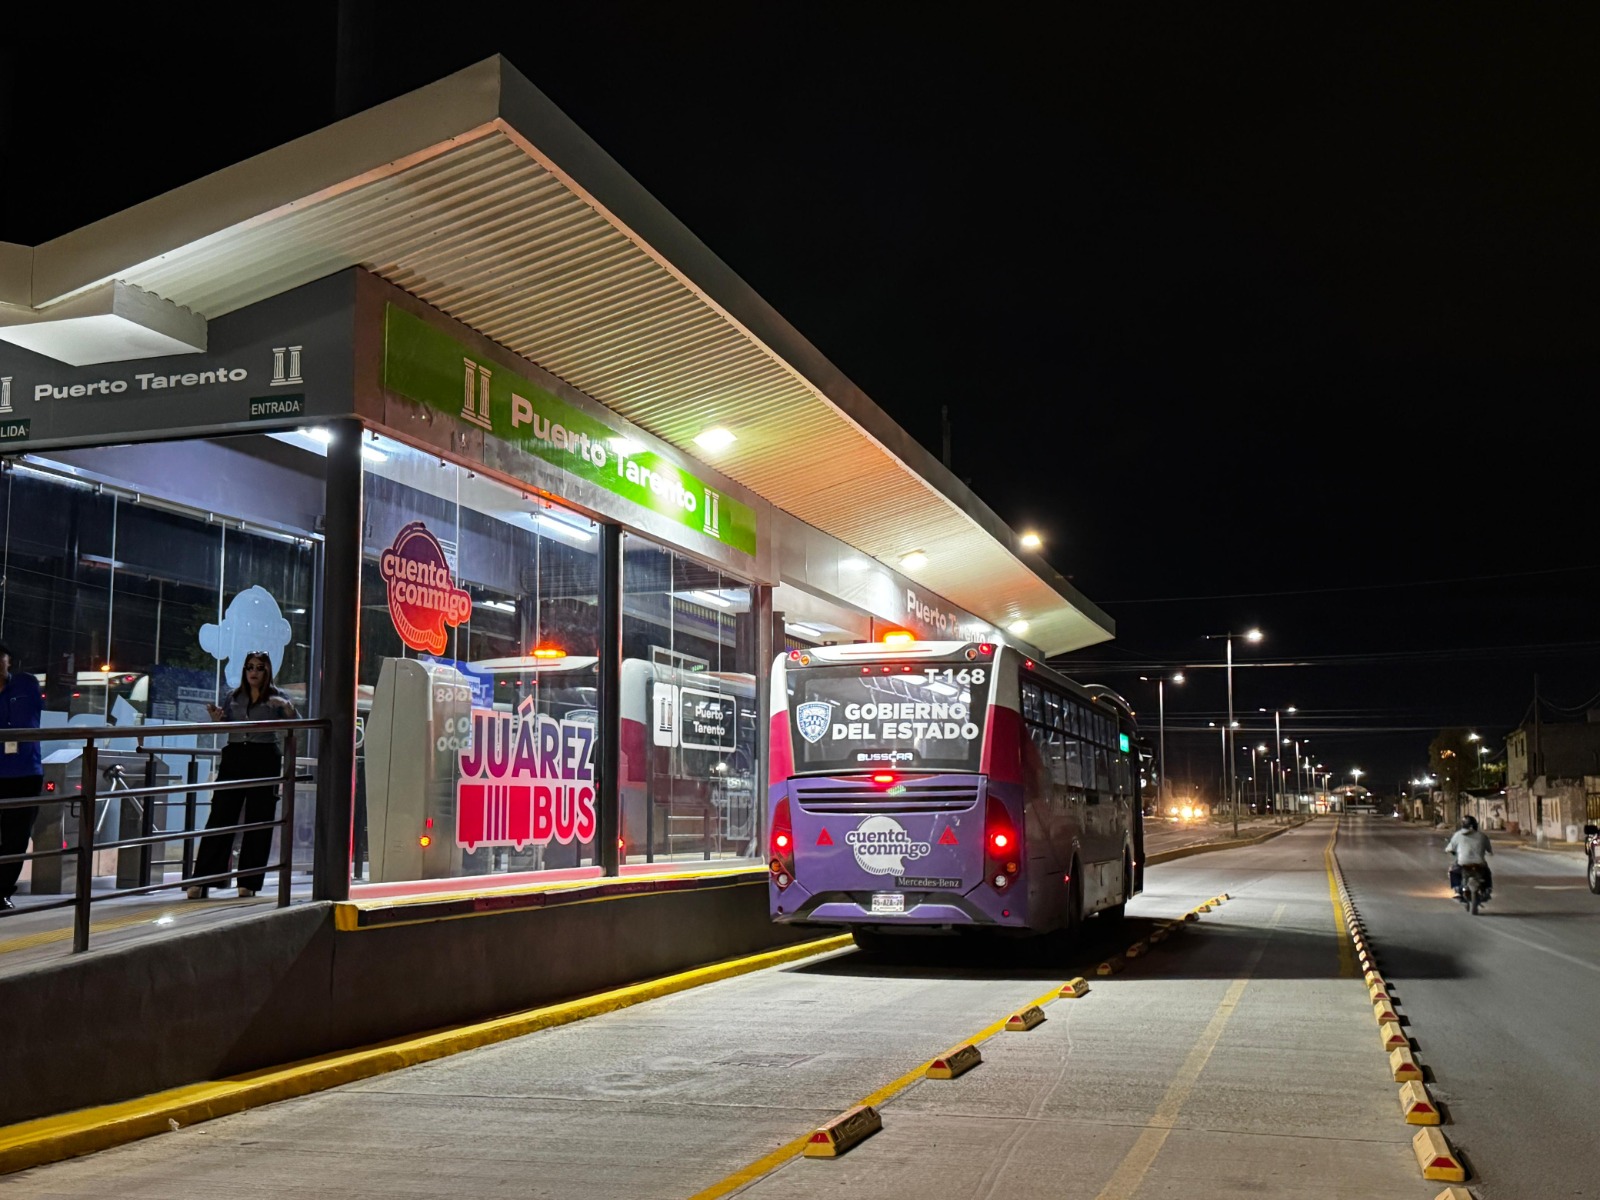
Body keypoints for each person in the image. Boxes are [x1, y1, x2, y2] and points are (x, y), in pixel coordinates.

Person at [187, 651, 299, 899]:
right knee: (220, 816)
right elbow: (226, 725)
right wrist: (218, 720)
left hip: (264, 756)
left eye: (259, 667)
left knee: (259, 820)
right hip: (235, 755)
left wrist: (286, 708)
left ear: (267, 671)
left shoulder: (278, 697)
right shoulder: (233, 697)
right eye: (250, 667)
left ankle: (249, 881)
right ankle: (202, 879)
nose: (254, 672)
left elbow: (297, 724)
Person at [0, 642, 44, 912]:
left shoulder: (26, 684)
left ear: (8, 661)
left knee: (16, 837)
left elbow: (29, 719)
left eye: (0, 657)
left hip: (25, 772)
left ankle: (2, 891)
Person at [1444, 813, 1493, 901]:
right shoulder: (1482, 836)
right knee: (1487, 872)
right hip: (1479, 863)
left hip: (1463, 863)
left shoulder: (1457, 835)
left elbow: (1449, 848)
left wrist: (1449, 850)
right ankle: (1487, 889)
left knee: (1453, 871)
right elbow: (1489, 850)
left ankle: (1458, 890)